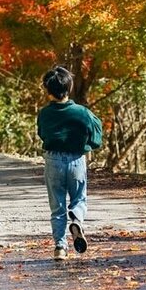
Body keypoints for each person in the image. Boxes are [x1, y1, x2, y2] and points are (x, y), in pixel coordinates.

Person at [37, 66, 102, 261]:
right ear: (69, 87)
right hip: (76, 159)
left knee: (57, 206)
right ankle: (76, 220)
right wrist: (87, 146)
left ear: (48, 90)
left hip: (53, 159)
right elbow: (97, 135)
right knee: (79, 199)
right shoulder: (82, 112)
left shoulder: (44, 113)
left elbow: (42, 133)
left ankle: (60, 247)